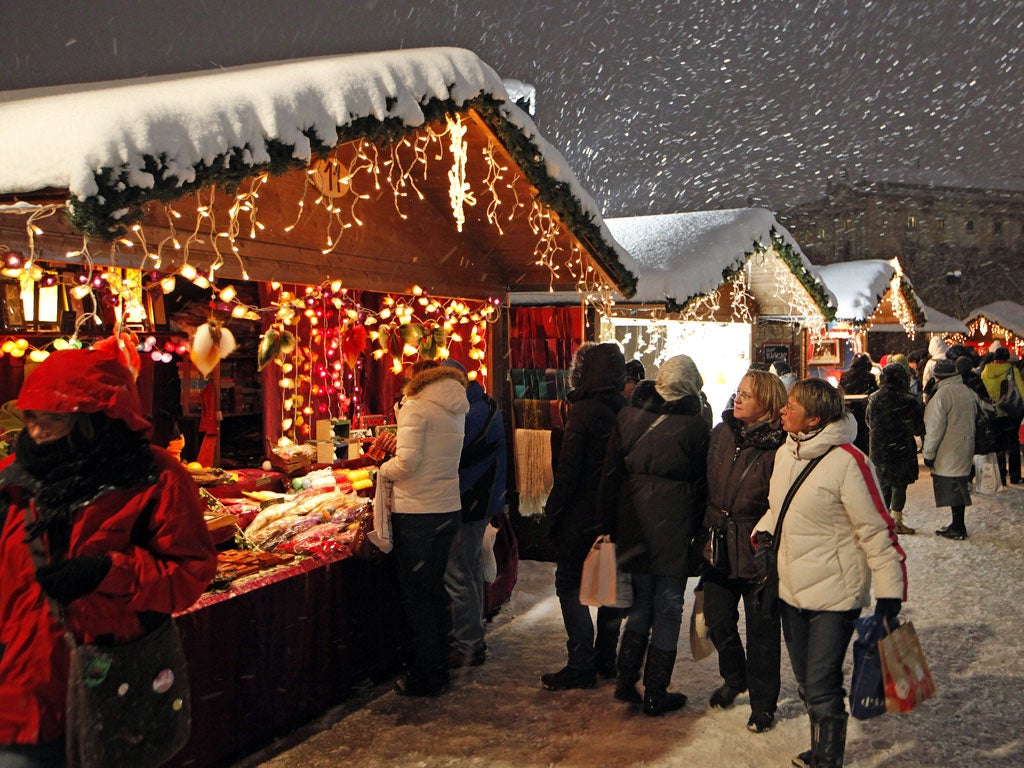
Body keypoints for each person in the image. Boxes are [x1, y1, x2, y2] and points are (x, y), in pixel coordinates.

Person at [0, 345, 219, 767]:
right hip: (18, 691)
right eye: (31, 418)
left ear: (94, 419)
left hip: (111, 683)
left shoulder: (154, 477)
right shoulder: (12, 479)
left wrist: (107, 573)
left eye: (54, 419)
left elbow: (190, 573)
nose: (38, 431)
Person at [754, 378, 906, 768]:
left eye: (792, 406)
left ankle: (827, 758)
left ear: (815, 418)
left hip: (835, 593)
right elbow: (781, 506)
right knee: (806, 683)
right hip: (791, 587)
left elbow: (875, 529)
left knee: (821, 685)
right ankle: (820, 740)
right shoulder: (786, 454)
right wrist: (763, 530)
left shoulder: (849, 463)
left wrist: (889, 593)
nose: (783, 410)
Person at [599, 354, 710, 716]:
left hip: (633, 519)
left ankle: (625, 680)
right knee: (668, 607)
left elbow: (610, 475)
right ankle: (655, 692)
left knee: (641, 605)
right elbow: (701, 483)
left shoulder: (628, 416)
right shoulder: (695, 425)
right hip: (673, 523)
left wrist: (609, 524)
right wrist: (698, 531)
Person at [701, 369, 787, 732]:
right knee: (717, 620)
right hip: (718, 543)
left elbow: (780, 501)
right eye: (738, 392)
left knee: (763, 633)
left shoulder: (780, 446)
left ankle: (763, 704)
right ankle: (736, 677)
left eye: (746, 395)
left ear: (766, 403)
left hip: (756, 548)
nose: (737, 399)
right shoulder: (721, 433)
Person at [377, 359, 469, 696]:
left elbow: (407, 464)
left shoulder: (416, 407)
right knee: (433, 591)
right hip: (447, 507)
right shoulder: (456, 404)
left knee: (417, 598)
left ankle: (425, 676)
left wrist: (383, 470)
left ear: (416, 380)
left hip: (417, 511)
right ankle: (440, 670)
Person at [542, 342, 626, 691]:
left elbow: (568, 472)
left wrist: (552, 513)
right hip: (615, 514)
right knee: (610, 586)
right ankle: (606, 658)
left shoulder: (584, 411)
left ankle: (581, 662)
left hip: (581, 514)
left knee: (569, 585)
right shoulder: (625, 408)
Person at [441, 359, 507, 669]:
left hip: (470, 501)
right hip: (483, 499)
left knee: (458, 573)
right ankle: (473, 637)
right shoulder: (484, 404)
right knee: (468, 570)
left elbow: (454, 456)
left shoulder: (469, 412)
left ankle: (469, 644)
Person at [866, 363, 926, 535]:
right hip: (901, 448)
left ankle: (883, 521)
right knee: (899, 485)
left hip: (879, 448)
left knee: (883, 484)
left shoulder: (874, 398)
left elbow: (868, 422)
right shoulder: (908, 401)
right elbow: (918, 428)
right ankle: (896, 521)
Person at [923, 359, 977, 540]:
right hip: (964, 443)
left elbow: (934, 427)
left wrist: (928, 453)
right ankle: (957, 523)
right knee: (959, 484)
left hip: (948, 447)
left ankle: (958, 527)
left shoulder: (942, 394)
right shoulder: (965, 390)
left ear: (937, 376)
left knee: (953, 487)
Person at [980, 346, 1024, 485]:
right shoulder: (1012, 370)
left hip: (993, 412)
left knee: (998, 446)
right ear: (1007, 358)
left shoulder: (986, 372)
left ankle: (1001, 477)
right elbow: (1021, 390)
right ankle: (1015, 476)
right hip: (1010, 412)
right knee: (1013, 445)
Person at [838, 352, 877, 454]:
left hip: (849, 409)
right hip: (863, 409)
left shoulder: (845, 374)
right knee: (863, 436)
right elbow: (873, 392)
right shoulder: (869, 377)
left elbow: (841, 389)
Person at [921, 336, 949, 400]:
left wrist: (925, 397)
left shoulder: (931, 362)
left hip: (935, 394)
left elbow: (926, 379)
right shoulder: (950, 360)